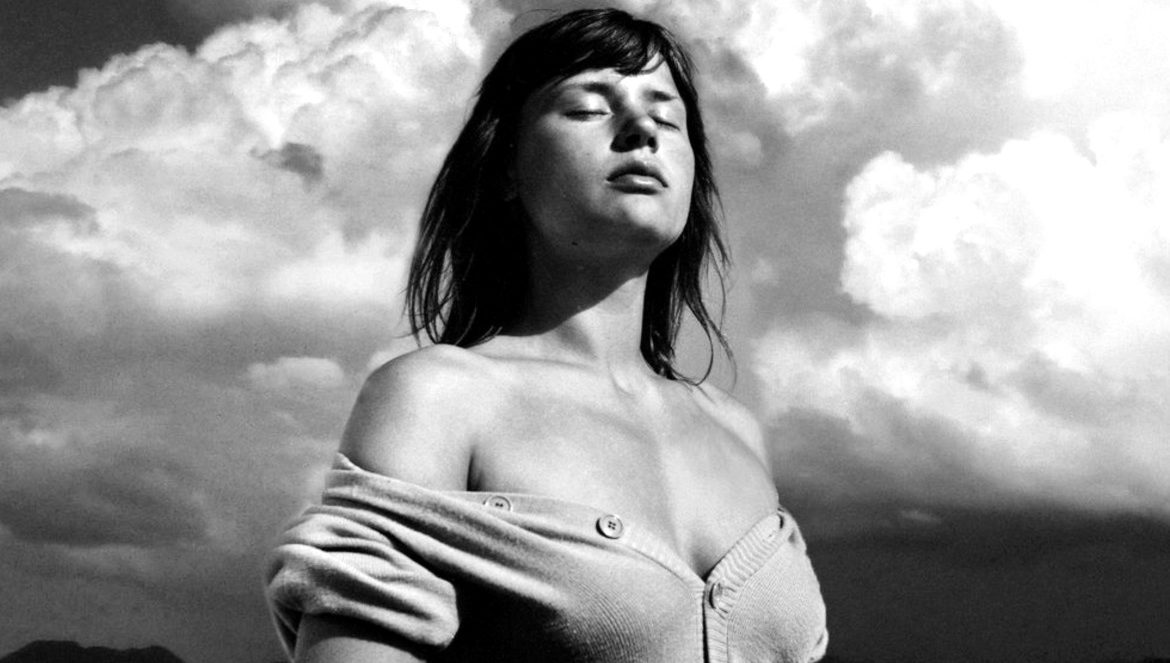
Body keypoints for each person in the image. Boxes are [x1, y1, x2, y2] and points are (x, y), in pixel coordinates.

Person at [266, 8, 828, 663]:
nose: (641, 128)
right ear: (505, 167)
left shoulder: (736, 430)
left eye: (667, 116)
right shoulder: (438, 397)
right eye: (589, 108)